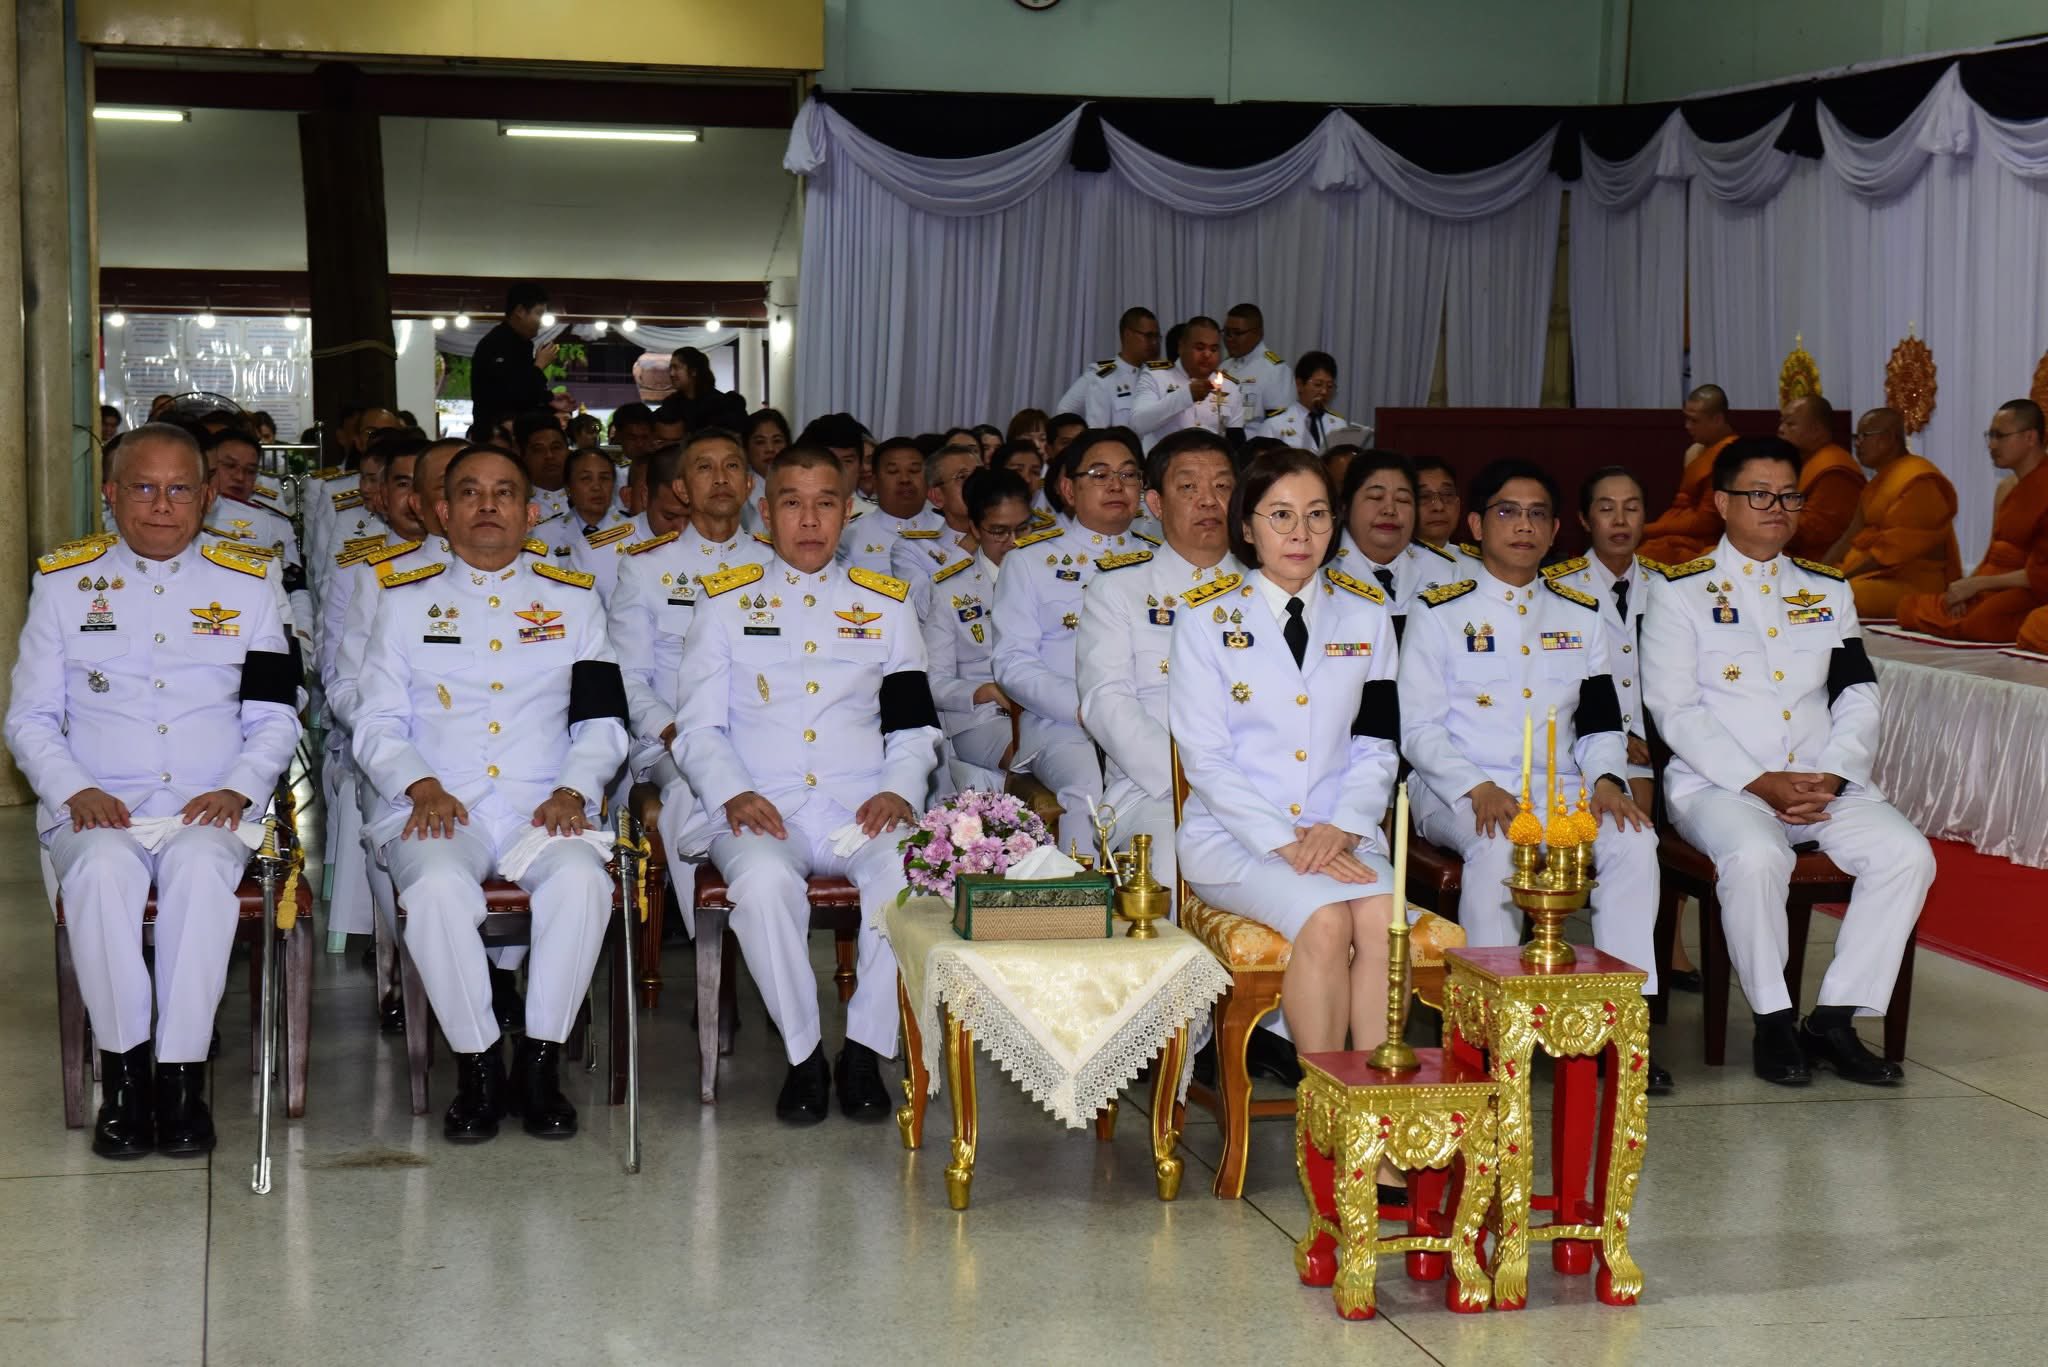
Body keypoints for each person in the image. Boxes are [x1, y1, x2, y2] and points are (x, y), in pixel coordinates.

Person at [6, 423, 300, 1158]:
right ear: (110, 494)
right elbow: (31, 718)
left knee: (202, 868)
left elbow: (274, 716)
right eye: (143, 486)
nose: (161, 506)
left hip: (212, 803)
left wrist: (237, 788)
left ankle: (180, 1078)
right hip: (97, 804)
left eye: (178, 490)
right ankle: (126, 1074)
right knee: (102, 872)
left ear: (205, 497)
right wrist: (75, 788)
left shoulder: (250, 582)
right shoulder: (65, 582)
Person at [353, 445, 627, 1142]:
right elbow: (377, 722)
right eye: (469, 493)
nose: (487, 505)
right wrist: (420, 784)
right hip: (442, 805)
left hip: (545, 804)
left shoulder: (574, 603)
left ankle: (538, 1063)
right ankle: (476, 1062)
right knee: (439, 891)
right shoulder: (403, 604)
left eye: (505, 493)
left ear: (531, 513)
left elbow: (602, 721)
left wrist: (576, 786)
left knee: (583, 884)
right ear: (441, 512)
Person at [1642, 436, 1932, 1086]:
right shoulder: (1680, 592)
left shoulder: (1827, 590)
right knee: (1756, 856)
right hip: (1722, 786)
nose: (1778, 507)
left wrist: (1834, 771)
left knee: (1907, 854)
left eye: (1789, 495)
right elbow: (1675, 710)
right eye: (1760, 494)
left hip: (1822, 780)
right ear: (1721, 502)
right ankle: (1773, 1019)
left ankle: (1831, 1018)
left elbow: (1857, 691)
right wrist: (1761, 781)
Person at [672, 444, 941, 1124]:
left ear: (848, 512)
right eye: (793, 502)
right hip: (762, 806)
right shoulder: (725, 603)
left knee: (909, 883)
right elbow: (698, 729)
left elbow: (913, 728)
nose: (810, 519)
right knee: (761, 885)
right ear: (766, 513)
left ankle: (863, 1048)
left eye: (827, 502)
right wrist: (731, 791)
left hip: (863, 805)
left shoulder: (887, 604)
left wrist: (902, 789)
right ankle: (802, 1055)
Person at [1398, 458, 1667, 1092]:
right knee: (1498, 848)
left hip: (1566, 787)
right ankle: (1493, 1033)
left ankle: (1624, 1029)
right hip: (1459, 788)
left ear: (1553, 534)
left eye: (1537, 514)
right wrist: (1478, 787)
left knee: (1635, 842)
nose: (1524, 526)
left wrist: (1607, 779)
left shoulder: (1580, 613)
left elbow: (1602, 723)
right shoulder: (1439, 612)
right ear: (1475, 525)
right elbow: (1418, 729)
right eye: (1507, 512)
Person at [1171, 448, 1400, 1070]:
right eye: (1280, 516)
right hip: (1237, 839)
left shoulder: (1368, 614)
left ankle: (1374, 1116)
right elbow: (1206, 758)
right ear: (1247, 528)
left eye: (1317, 515)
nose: (1301, 534)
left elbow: (1378, 742)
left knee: (1383, 916)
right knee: (1325, 919)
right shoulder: (1203, 619)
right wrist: (1283, 840)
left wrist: (1344, 825)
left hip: (1342, 833)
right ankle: (1325, 1118)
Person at [1078, 429, 1240, 903]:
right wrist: (1189, 779)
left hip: (1263, 788)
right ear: (1154, 502)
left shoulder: (1267, 588)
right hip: (1158, 792)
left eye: (1223, 487)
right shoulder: (1119, 589)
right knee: (1173, 866)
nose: (1209, 500)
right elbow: (1106, 702)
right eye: (1189, 487)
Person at [992, 430, 1147, 833]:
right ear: (1067, 489)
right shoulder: (1030, 562)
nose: (1116, 485)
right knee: (1089, 792)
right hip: (1064, 723)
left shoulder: (1162, 560)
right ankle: (1086, 892)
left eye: (1129, 475)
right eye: (1099, 474)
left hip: (1150, 716)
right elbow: (1013, 663)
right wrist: (1089, 709)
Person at [1896, 400, 2048, 640]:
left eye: (2000, 436)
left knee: (1980, 624)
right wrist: (1967, 586)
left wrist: (1979, 585)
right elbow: (1993, 551)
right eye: (1990, 436)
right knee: (1907, 608)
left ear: (2030, 437)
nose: (1992, 445)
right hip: (1992, 583)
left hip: (2028, 589)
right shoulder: (2006, 488)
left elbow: (2042, 573)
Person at [922, 468, 1031, 793]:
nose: (1014, 542)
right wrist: (983, 691)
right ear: (975, 529)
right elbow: (932, 681)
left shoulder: (1052, 578)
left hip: (1048, 710)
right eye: (999, 531)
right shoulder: (950, 589)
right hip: (983, 717)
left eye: (1023, 528)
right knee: (1038, 757)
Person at [1835, 407, 1961, 620]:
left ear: (1889, 438)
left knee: (1842, 596)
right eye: (1856, 437)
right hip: (1870, 576)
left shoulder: (1919, 480)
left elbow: (1889, 551)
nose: (1857, 444)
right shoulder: (1877, 483)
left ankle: (1801, 623)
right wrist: (1821, 572)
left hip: (1912, 582)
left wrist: (1840, 578)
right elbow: (1849, 537)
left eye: (1864, 436)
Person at [201, 426, 313, 637]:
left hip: (259, 629)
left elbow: (295, 587)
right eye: (230, 466)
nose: (240, 476)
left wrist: (302, 632)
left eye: (250, 470)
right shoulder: (185, 514)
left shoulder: (275, 523)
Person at [1332, 450, 1456, 624]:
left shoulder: (1445, 571)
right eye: (1376, 497)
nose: (1390, 509)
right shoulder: (1320, 570)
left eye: (1403, 499)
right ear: (1345, 507)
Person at [1640, 384, 1740, 565]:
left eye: (1694, 421)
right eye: (1686, 419)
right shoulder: (1698, 451)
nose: (1687, 426)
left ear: (1717, 419)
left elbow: (1706, 523)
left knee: (1646, 558)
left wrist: (1649, 529)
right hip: (1678, 530)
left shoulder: (1729, 456)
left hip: (1704, 540)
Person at [890, 440, 982, 610]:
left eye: (979, 476)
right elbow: (923, 609)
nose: (976, 485)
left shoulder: (1010, 537)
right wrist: (967, 548)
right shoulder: (912, 549)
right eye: (962, 477)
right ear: (937, 496)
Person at [1129, 316, 1239, 452]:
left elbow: (1236, 441)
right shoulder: (1156, 376)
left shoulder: (1230, 386)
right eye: (1200, 348)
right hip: (1165, 467)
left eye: (1214, 349)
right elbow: (1138, 424)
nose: (1207, 354)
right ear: (1181, 347)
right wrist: (1186, 395)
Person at [1775, 395, 1865, 561]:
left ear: (1816, 430)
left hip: (1821, 561)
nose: (1781, 429)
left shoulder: (1834, 470)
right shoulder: (1800, 462)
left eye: (1790, 424)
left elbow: (1814, 532)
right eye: (1781, 422)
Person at [843, 437, 945, 573]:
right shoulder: (850, 537)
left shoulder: (948, 530)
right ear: (875, 481)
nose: (905, 479)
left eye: (914, 471)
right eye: (893, 471)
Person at [1054, 307, 1162, 430]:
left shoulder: (1159, 375)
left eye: (1157, 336)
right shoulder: (1102, 375)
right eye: (1149, 336)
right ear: (1128, 335)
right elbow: (1065, 411)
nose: (1154, 343)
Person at [560, 445, 644, 602]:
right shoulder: (542, 535)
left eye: (604, 478)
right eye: (586, 479)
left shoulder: (635, 532)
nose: (597, 487)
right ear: (568, 487)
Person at [471, 282, 555, 426]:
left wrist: (550, 399)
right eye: (539, 313)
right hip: (497, 432)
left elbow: (526, 393)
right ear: (520, 311)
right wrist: (539, 365)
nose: (541, 322)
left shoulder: (524, 344)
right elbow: (510, 395)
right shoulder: (495, 343)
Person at [1252, 351, 1347, 453]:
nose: (1324, 392)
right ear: (1299, 385)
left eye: (1329, 386)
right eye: (1318, 384)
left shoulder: (1339, 425)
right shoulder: (1275, 424)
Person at [1220, 303, 1293, 433]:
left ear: (1258, 333)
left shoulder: (1275, 370)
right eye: (1227, 332)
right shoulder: (1224, 366)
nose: (1229, 339)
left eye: (1237, 333)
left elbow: (1280, 427)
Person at [667, 347, 748, 432]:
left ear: (693, 371)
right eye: (670, 368)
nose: (671, 373)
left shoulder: (723, 404)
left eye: (676, 368)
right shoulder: (671, 404)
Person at [515, 412, 573, 525]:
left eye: (556, 447)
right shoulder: (516, 504)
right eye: (538, 450)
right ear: (523, 456)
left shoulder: (587, 497)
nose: (549, 456)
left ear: (568, 452)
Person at [1412, 456, 1463, 551]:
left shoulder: (1475, 564)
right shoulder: (1387, 562)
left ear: (1458, 506)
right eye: (1424, 496)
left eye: (1447, 494)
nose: (1439, 507)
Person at [742, 408, 792, 479]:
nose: (770, 449)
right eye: (760, 442)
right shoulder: (741, 487)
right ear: (746, 449)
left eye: (777, 441)